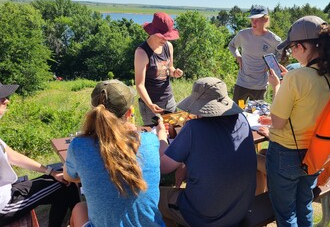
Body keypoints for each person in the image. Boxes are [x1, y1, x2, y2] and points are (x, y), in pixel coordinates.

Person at [265, 16, 330, 226]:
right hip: (317, 152)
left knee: (286, 212)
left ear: (302, 46)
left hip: (286, 153)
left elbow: (278, 122)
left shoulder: (296, 78)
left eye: (291, 48)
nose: (291, 53)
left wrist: (278, 86)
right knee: (304, 202)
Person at [63, 80, 167, 227]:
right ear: (129, 113)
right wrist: (161, 133)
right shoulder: (150, 140)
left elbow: (69, 177)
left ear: (95, 111)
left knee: (79, 208)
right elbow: (160, 146)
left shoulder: (79, 146)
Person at [158, 77, 257, 227]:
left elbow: (164, 167)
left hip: (205, 217)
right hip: (239, 209)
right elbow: (214, 153)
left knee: (156, 198)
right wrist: (184, 164)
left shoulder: (193, 128)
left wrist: (161, 136)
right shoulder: (242, 119)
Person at [0, 82, 80, 226]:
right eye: (1, 98)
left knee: (61, 175)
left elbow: (12, 155)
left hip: (9, 190)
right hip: (5, 205)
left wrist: (50, 171)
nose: (7, 100)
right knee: (67, 185)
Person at [135, 12, 184, 126]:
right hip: (150, 105)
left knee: (173, 133)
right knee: (154, 138)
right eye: (162, 37)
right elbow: (139, 84)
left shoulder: (168, 46)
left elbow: (169, 68)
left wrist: (174, 72)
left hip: (169, 100)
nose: (165, 40)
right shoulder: (142, 53)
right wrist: (150, 105)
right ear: (152, 32)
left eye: (167, 37)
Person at [228, 5, 282, 103]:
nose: (254, 22)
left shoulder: (273, 39)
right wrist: (238, 56)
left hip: (260, 86)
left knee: (256, 114)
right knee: (237, 113)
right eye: (252, 19)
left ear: (265, 20)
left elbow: (283, 54)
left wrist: (271, 64)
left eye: (257, 19)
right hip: (242, 83)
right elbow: (231, 46)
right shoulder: (243, 34)